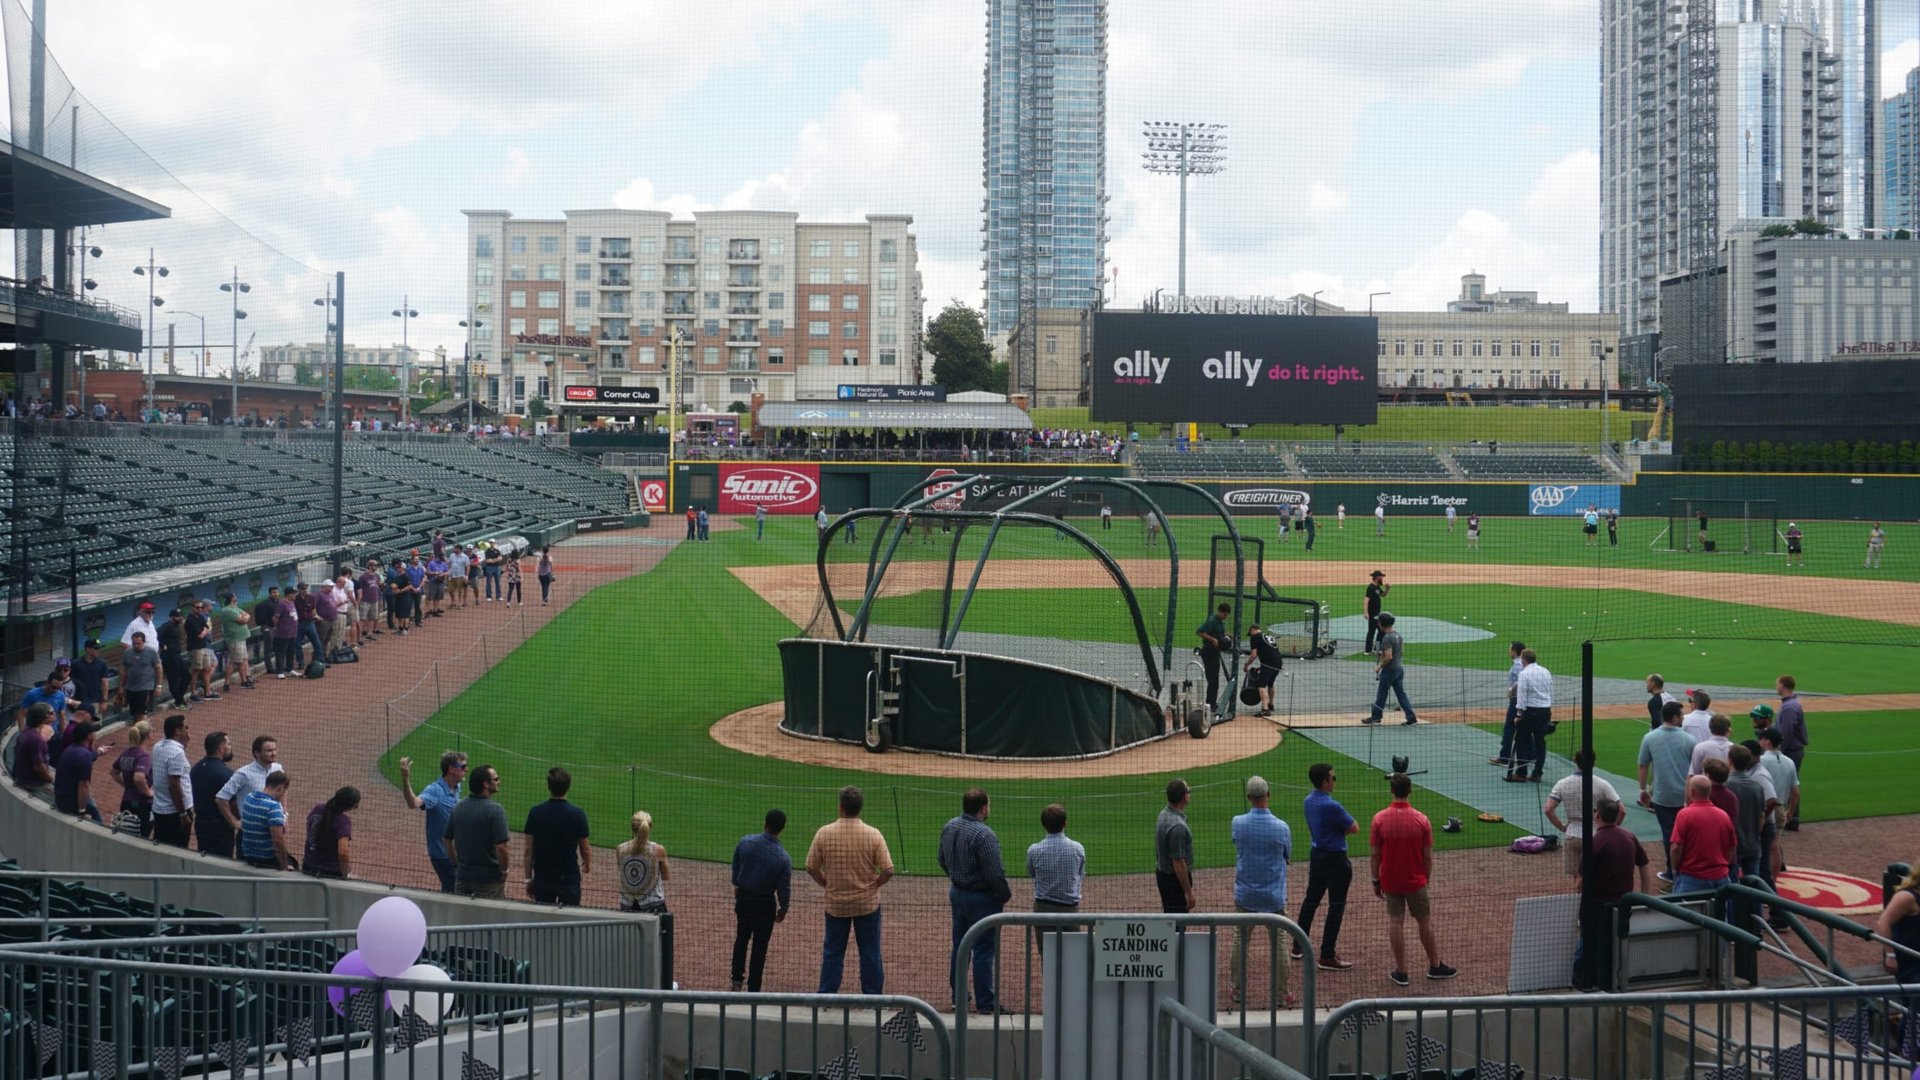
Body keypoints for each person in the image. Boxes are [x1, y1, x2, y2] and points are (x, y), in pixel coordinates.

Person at [806, 786, 894, 995]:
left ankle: (827, 995)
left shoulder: (824, 833)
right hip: (867, 904)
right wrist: (876, 883)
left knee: (833, 953)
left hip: (836, 904)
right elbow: (889, 870)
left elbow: (811, 867)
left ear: (841, 807)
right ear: (859, 808)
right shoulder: (873, 834)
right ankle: (873, 997)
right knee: (870, 953)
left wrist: (824, 882)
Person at [1370, 773, 1456, 985]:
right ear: (1410, 790)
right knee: (1424, 921)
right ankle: (1435, 966)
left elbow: (1375, 854)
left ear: (1391, 790)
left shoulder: (1379, 819)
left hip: (1390, 880)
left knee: (1395, 922)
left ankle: (1402, 971)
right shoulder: (1421, 819)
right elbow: (1428, 856)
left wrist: (1375, 879)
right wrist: (1425, 878)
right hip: (1415, 881)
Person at [939, 788, 1011, 1014]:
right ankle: (986, 1004)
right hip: (981, 899)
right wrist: (1004, 894)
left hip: (957, 893)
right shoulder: (984, 834)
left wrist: (957, 877)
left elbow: (941, 860)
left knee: (960, 945)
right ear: (982, 808)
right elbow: (994, 873)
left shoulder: (950, 826)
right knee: (983, 950)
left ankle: (958, 997)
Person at [1575, 799, 1652, 989]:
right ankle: (1610, 980)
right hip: (1623, 902)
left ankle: (1585, 981)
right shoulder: (1629, 836)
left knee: (1589, 943)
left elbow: (1580, 882)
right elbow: (1644, 865)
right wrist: (1645, 894)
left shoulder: (1595, 842)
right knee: (1616, 942)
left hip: (1597, 905)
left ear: (1598, 815)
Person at [1231, 776, 1294, 1005]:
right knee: (1279, 942)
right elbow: (1287, 855)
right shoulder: (1281, 827)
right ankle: (1281, 994)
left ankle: (1237, 991)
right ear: (1269, 795)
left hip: (1246, 894)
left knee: (1240, 940)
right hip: (1273, 896)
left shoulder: (1237, 822)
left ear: (1249, 797)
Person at [1294, 763, 1357, 970]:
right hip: (1335, 859)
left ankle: (1297, 946)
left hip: (1317, 855)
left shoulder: (1308, 800)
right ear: (1325, 782)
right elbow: (1353, 827)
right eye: (1333, 777)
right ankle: (1327, 955)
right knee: (1336, 906)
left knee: (1311, 901)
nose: (1334, 781)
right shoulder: (1332, 806)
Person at [729, 809, 792, 993]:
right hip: (765, 903)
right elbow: (784, 889)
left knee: (741, 938)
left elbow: (735, 870)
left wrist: (738, 885)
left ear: (765, 823)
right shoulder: (783, 857)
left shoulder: (745, 842)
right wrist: (784, 908)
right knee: (760, 946)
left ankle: (736, 980)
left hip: (744, 897)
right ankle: (754, 987)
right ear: (782, 829)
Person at [1637, 700, 1696, 882]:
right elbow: (1695, 770)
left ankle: (1672, 871)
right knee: (1688, 835)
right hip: (1686, 797)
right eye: (1681, 714)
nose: (1683, 717)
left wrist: (1642, 789)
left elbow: (1643, 764)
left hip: (1662, 796)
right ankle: (1687, 869)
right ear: (1675, 717)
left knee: (1669, 834)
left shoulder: (1650, 737)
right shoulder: (1690, 739)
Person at [1545, 749, 1620, 876]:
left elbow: (1548, 809)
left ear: (1574, 761)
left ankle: (1580, 896)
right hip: (1597, 835)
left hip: (1572, 835)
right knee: (1598, 875)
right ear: (1594, 763)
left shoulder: (1563, 783)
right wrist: (1612, 828)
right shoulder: (1603, 784)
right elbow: (1622, 810)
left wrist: (1563, 827)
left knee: (1578, 878)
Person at [523, 767, 592, 905]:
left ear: (549, 786)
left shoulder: (535, 812)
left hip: (543, 877)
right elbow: (585, 848)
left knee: (543, 921)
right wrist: (587, 862)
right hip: (568, 878)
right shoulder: (577, 814)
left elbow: (528, 850)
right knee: (568, 922)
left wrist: (528, 879)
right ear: (568, 787)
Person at [400, 752, 467, 892]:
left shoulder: (456, 787)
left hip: (454, 852)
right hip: (442, 855)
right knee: (454, 891)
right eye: (463, 766)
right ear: (451, 769)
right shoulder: (434, 790)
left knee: (456, 890)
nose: (466, 769)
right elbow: (413, 803)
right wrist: (405, 779)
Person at [445, 764, 511, 899]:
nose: (499, 781)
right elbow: (502, 847)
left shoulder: (458, 807)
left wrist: (456, 863)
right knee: (491, 917)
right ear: (486, 784)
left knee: (462, 918)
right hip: (488, 881)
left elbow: (446, 839)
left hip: (463, 878)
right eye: (496, 779)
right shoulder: (496, 810)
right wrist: (504, 870)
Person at [1027, 804, 1085, 947]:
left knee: (1047, 956)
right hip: (1070, 909)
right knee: (1074, 955)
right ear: (1065, 823)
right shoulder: (1077, 849)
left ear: (1044, 825)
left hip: (1043, 909)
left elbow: (1032, 873)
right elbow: (1080, 874)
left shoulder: (1034, 850)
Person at [1670, 775, 1736, 893]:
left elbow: (1676, 847)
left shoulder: (1685, 815)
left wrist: (1675, 868)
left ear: (1692, 792)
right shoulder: (1723, 815)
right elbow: (1731, 847)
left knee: (1683, 911)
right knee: (1719, 911)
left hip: (1692, 877)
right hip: (1720, 878)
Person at [215, 735, 284, 838]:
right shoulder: (244, 774)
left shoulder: (278, 768)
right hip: (249, 833)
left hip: (272, 831)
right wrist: (235, 823)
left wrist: (284, 815)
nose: (273, 754)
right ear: (257, 753)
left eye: (274, 750)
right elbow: (221, 798)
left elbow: (283, 791)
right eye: (269, 751)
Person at [1724, 746, 1774, 881]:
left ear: (1729, 760)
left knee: (1731, 888)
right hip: (1752, 844)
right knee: (1754, 888)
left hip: (1734, 846)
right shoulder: (1757, 786)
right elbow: (1762, 817)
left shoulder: (1726, 785)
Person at [1363, 613, 1418, 726]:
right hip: (1399, 669)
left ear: (1382, 624)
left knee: (1382, 694)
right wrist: (1381, 653)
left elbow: (1389, 656)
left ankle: (1376, 717)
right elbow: (1401, 651)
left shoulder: (1387, 638)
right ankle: (1411, 718)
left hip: (1389, 670)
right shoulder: (1398, 635)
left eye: (1379, 622)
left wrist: (1380, 666)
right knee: (1401, 694)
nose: (1378, 624)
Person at [1507, 649, 1553, 782]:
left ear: (1524, 660)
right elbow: (1551, 692)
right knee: (1540, 742)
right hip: (1545, 710)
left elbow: (1521, 696)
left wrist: (1519, 714)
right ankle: (1537, 774)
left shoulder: (1524, 674)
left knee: (1521, 741)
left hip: (1530, 711)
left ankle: (1521, 773)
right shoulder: (1545, 671)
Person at [150, 714, 195, 849]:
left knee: (161, 848)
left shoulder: (158, 746)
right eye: (186, 728)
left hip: (159, 809)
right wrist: (182, 814)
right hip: (175, 814)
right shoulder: (177, 753)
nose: (188, 731)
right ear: (177, 731)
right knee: (178, 850)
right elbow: (174, 785)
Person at [191, 731, 237, 858]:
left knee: (204, 858)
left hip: (201, 824)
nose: (230, 747)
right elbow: (234, 806)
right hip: (220, 829)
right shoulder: (226, 774)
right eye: (228, 744)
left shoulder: (196, 768)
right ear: (221, 749)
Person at [240, 770, 297, 871]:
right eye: (284, 792)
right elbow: (278, 841)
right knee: (293, 864)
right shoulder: (273, 807)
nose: (283, 795)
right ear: (280, 788)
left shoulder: (249, 797)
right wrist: (284, 867)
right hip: (266, 859)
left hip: (247, 855)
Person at [1155, 779, 1196, 914]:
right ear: (1184, 797)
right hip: (1174, 882)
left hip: (1163, 876)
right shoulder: (1178, 826)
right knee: (1178, 924)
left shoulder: (1163, 814)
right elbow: (1178, 862)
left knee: (1170, 920)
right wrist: (1188, 892)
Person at [304, 786, 361, 879]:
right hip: (331, 872)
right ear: (350, 806)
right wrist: (345, 874)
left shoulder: (317, 809)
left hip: (308, 866)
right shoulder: (343, 821)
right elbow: (343, 852)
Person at [111, 720, 156, 837]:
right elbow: (139, 778)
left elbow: (114, 772)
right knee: (141, 837)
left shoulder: (126, 753)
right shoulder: (143, 756)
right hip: (142, 804)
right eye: (152, 731)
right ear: (148, 735)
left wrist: (127, 785)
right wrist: (148, 792)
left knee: (126, 835)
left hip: (126, 801)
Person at [53, 721, 105, 822]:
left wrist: (99, 752)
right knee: (97, 819)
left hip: (60, 798)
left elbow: (86, 757)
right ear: (89, 736)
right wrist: (82, 811)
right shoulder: (84, 755)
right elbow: (83, 785)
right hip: (71, 803)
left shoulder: (70, 749)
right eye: (93, 732)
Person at [1774, 675, 1807, 829]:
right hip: (1793, 750)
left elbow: (1786, 732)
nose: (1776, 686)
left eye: (1777, 684)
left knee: (1790, 785)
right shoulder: (1790, 704)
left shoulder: (1789, 707)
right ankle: (1791, 819)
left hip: (1790, 751)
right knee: (1791, 784)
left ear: (1783, 686)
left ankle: (1790, 819)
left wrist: (1780, 752)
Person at [1491, 642, 1526, 767]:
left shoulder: (1518, 665)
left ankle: (1504, 756)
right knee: (1524, 727)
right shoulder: (1522, 663)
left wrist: (1512, 690)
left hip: (1516, 700)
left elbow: (1520, 681)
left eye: (1510, 649)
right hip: (1522, 700)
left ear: (1515, 651)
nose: (1508, 651)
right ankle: (1530, 757)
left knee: (1509, 727)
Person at [1195, 602, 1232, 716]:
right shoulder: (1211, 621)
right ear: (1220, 612)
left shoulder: (1220, 622)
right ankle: (1210, 704)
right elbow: (1199, 632)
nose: (1225, 617)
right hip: (1208, 652)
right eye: (1225, 614)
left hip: (1215, 653)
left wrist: (1227, 635)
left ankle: (1211, 703)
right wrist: (1212, 640)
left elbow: (1218, 634)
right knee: (1212, 680)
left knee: (1215, 679)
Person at [214, 595, 255, 690]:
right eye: (235, 596)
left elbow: (247, 615)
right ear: (232, 599)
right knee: (238, 662)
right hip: (235, 640)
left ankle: (227, 684)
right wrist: (244, 617)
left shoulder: (234, 608)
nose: (236, 597)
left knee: (238, 660)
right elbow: (243, 620)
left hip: (240, 639)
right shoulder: (228, 610)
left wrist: (245, 617)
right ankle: (243, 682)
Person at [1243, 622, 1284, 718]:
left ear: (1253, 629)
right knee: (1270, 683)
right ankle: (1271, 704)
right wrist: (1262, 667)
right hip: (1278, 662)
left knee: (1261, 685)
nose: (1250, 636)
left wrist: (1246, 665)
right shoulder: (1268, 636)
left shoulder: (1255, 637)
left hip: (1269, 664)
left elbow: (1253, 656)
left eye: (1250, 633)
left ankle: (1265, 710)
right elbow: (1270, 651)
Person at [157, 607, 194, 710]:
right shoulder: (167, 625)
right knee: (173, 680)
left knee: (186, 676)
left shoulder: (177, 626)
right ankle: (178, 702)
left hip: (177, 655)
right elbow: (157, 634)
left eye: (180, 616)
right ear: (172, 617)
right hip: (169, 656)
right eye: (178, 616)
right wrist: (162, 645)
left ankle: (179, 698)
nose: (180, 618)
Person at [11, 706, 54, 791]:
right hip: (32, 783)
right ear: (45, 718)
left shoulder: (26, 733)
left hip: (24, 779)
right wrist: (51, 779)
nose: (54, 714)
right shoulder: (36, 739)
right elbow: (38, 767)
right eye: (51, 713)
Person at [121, 630, 162, 721]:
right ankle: (139, 731)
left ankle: (143, 732)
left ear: (144, 641)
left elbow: (158, 669)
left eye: (138, 643)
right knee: (134, 713)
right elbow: (123, 670)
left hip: (145, 687)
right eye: (134, 643)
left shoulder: (151, 652)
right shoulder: (127, 652)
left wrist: (159, 686)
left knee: (142, 713)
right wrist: (121, 686)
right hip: (131, 687)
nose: (136, 645)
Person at [185, 599, 220, 701]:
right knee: (195, 671)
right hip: (195, 648)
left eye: (200, 607)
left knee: (207, 669)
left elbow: (207, 629)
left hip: (204, 646)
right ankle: (193, 694)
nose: (199, 609)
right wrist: (204, 631)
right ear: (192, 608)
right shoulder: (190, 620)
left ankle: (208, 692)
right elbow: (200, 635)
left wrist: (204, 631)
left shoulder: (200, 617)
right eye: (197, 607)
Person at [68, 639, 112, 718]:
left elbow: (104, 683)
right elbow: (71, 682)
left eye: (99, 648)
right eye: (96, 648)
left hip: (96, 701)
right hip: (80, 702)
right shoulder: (75, 664)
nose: (99, 650)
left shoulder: (102, 664)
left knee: (96, 727)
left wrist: (104, 701)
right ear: (88, 649)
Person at [1363, 571, 1390, 654]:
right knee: (1376, 631)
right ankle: (1369, 650)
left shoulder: (1377, 587)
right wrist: (1366, 612)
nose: (1382, 578)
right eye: (1381, 576)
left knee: (1376, 631)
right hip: (1372, 614)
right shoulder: (1371, 588)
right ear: (1377, 577)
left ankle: (1373, 649)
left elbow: (1383, 595)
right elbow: (1366, 600)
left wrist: (1387, 589)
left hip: (1377, 613)